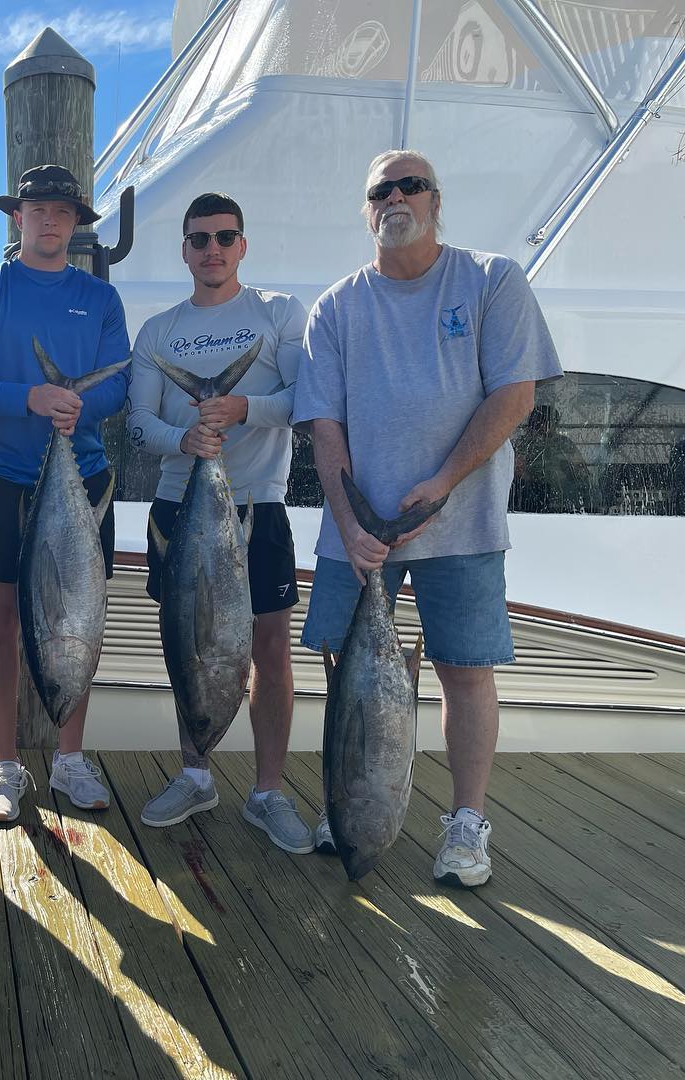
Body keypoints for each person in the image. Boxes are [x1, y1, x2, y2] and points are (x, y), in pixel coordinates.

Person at [293, 150, 562, 887]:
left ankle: (467, 823)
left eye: (412, 186)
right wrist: (350, 524)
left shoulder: (492, 279)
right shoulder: (335, 308)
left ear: (436, 202)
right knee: (340, 673)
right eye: (381, 190)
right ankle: (349, 800)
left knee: (465, 674)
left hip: (461, 522)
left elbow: (515, 396)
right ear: (367, 210)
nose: (396, 198)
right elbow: (324, 427)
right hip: (358, 535)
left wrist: (442, 483)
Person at [128, 191, 312, 852]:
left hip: (258, 503)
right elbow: (139, 422)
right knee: (188, 642)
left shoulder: (279, 312)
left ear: (242, 245)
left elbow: (302, 399)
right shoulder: (158, 332)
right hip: (180, 503)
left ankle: (267, 792)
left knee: (270, 648)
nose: (212, 249)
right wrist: (184, 440)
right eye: (199, 238)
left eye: (224, 237)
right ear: (184, 249)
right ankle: (195, 775)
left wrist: (241, 410)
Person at [0, 164, 131, 823]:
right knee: (0, 615)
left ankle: (69, 759)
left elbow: (119, 384)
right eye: (38, 209)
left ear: (76, 222)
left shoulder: (101, 299)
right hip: (5, 475)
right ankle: (6, 764)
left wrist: (78, 408)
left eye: (63, 210)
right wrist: (29, 398)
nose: (50, 220)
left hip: (82, 475)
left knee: (80, 614)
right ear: (18, 217)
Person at [511, 402, 591, 513]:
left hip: (563, 498)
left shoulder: (565, 443)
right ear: (533, 423)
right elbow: (516, 470)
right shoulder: (523, 443)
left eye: (550, 422)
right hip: (529, 495)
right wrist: (531, 480)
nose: (545, 426)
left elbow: (581, 470)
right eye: (540, 422)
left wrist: (569, 470)